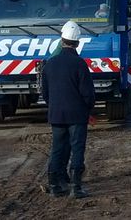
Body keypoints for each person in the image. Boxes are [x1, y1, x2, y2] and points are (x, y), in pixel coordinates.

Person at [40, 21, 95, 198]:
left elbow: (45, 92)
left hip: (56, 114)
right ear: (77, 43)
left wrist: (53, 106)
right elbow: (88, 93)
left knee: (57, 149)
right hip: (77, 115)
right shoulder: (80, 64)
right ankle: (76, 187)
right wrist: (88, 108)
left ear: (61, 39)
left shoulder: (50, 64)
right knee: (77, 148)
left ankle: (55, 185)